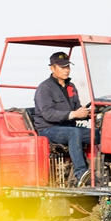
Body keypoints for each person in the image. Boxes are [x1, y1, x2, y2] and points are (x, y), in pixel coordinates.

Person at [34, 51, 91, 185]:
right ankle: (81, 173)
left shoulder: (71, 87)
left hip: (67, 128)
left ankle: (109, 171)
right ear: (52, 68)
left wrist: (88, 113)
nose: (66, 70)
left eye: (67, 67)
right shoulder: (44, 88)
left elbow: (77, 109)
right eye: (62, 67)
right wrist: (73, 114)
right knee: (74, 133)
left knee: (99, 134)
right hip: (49, 129)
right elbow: (48, 114)